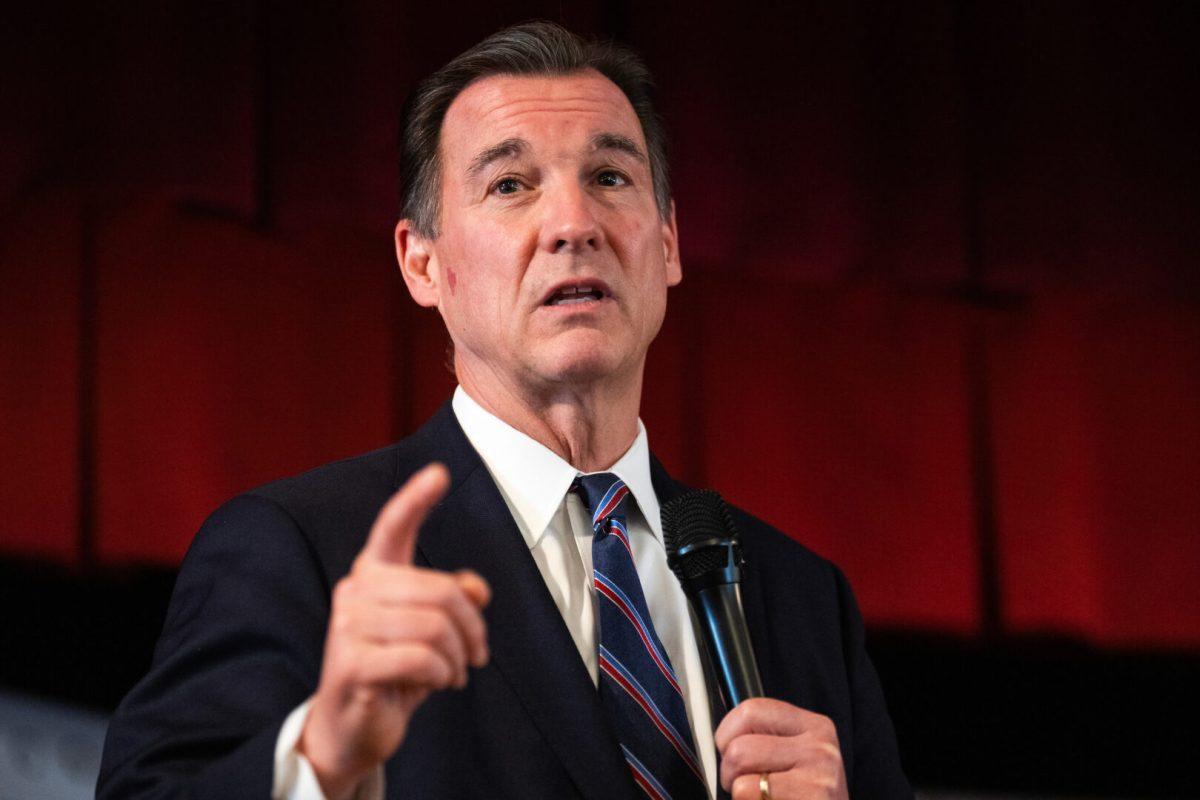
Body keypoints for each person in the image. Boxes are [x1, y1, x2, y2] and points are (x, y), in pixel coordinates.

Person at [97, 21, 911, 800]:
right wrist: (324, 755)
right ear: (422, 263)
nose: (573, 224)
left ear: (666, 243)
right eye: (511, 184)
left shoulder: (802, 597)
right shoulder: (299, 550)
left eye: (609, 178)